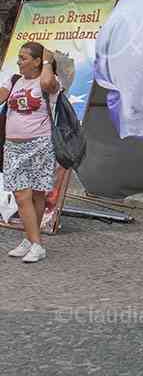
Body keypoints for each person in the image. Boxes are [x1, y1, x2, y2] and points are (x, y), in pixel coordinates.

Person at [1, 43, 60, 263]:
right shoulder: (14, 80)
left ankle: (32, 241)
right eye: (19, 57)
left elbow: (47, 82)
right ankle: (34, 242)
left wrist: (47, 61)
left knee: (37, 195)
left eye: (24, 58)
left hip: (39, 145)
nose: (19, 61)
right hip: (13, 147)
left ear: (37, 61)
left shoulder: (49, 81)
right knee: (21, 195)